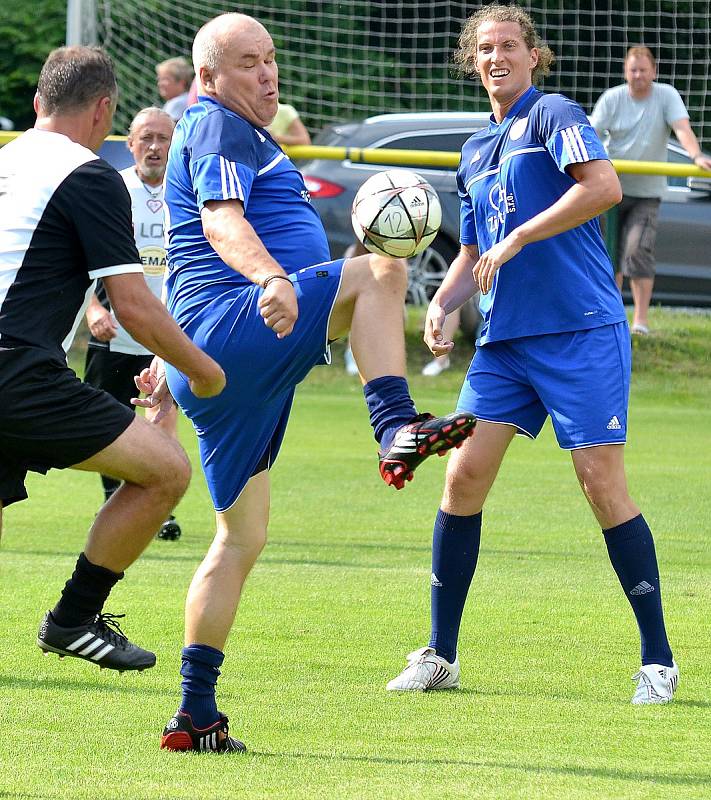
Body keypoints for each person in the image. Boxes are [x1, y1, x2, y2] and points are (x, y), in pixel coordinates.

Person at [150, 12, 475, 753]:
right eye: (245, 63)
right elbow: (220, 221)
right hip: (235, 326)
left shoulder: (246, 133)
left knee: (240, 537)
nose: (265, 74)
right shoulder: (214, 125)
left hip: (213, 363)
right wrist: (270, 276)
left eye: (269, 59)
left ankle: (193, 711)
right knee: (382, 270)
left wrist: (174, 359)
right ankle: (393, 423)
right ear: (207, 78)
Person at [386, 5, 679, 706]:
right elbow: (469, 249)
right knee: (461, 478)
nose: (495, 57)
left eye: (507, 46)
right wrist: (441, 302)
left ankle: (657, 661)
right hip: (504, 343)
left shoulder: (552, 114)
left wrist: (518, 239)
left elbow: (601, 187)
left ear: (531, 54)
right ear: (472, 60)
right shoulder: (473, 149)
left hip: (578, 331)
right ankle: (441, 654)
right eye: (484, 48)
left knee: (598, 482)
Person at [0, 46, 225, 673]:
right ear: (105, 111)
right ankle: (74, 619)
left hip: (12, 364)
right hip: (16, 369)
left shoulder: (6, 160)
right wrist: (205, 371)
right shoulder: (89, 174)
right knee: (166, 471)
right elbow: (133, 305)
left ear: (39, 103)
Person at [82, 106, 182, 540]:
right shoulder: (112, 190)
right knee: (107, 422)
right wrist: (94, 311)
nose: (155, 147)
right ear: (130, 144)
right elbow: (78, 258)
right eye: (147, 138)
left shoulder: (190, 194)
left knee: (161, 415)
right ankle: (116, 502)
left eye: (163, 138)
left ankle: (160, 510)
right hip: (115, 332)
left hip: (167, 332)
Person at [590, 47, 711, 334]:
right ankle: (611, 317)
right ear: (625, 72)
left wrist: (695, 156)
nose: (638, 75)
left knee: (637, 251)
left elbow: (681, 128)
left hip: (647, 193)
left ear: (653, 72)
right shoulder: (613, 98)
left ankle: (640, 321)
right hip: (611, 190)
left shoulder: (666, 95)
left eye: (643, 70)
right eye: (633, 70)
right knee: (607, 255)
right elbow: (592, 132)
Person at [156, 56, 194, 122]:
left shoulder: (177, 103)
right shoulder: (187, 98)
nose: (160, 84)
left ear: (182, 82)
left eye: (165, 79)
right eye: (159, 79)